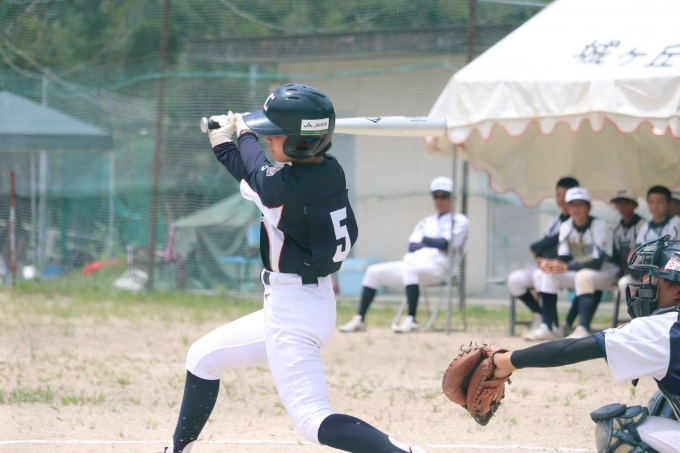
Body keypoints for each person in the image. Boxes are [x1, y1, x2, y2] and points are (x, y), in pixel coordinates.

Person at [161, 84, 428, 453]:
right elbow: (253, 173)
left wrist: (239, 135)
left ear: (303, 143)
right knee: (203, 358)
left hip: (294, 310)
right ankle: (177, 450)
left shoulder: (283, 192)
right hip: (305, 303)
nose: (269, 138)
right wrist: (231, 139)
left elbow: (254, 170)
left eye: (276, 133)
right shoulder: (329, 171)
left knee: (312, 418)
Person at [492, 235, 680, 452]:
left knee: (619, 429)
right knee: (663, 403)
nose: (645, 283)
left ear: (678, 290)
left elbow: (575, 349)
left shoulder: (664, 327)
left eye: (654, 277)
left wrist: (507, 360)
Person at [338, 176, 469, 333]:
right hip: (412, 264)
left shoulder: (459, 220)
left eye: (444, 196)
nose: (439, 200)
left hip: (437, 268)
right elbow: (412, 246)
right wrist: (435, 243)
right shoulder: (426, 221)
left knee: (410, 269)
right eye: (436, 196)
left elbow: (445, 243)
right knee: (373, 271)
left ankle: (411, 320)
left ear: (452, 197)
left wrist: (426, 240)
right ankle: (360, 319)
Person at [525, 187, 617, 341]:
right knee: (544, 274)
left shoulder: (598, 225)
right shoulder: (566, 226)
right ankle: (549, 327)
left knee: (584, 276)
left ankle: (583, 328)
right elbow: (564, 256)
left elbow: (598, 263)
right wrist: (550, 264)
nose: (576, 208)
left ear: (589, 207)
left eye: (580, 204)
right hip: (582, 269)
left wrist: (566, 267)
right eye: (572, 204)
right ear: (567, 207)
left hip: (608, 270)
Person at [507, 177, 579, 331]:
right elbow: (543, 248)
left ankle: (554, 325)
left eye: (565, 195)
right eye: (558, 195)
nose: (561, 199)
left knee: (543, 275)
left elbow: (545, 245)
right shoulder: (554, 222)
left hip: (569, 267)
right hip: (547, 264)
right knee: (515, 280)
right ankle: (541, 316)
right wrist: (541, 253)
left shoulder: (578, 220)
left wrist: (539, 247)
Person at [619, 186, 680, 297]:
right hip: (647, 271)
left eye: (660, 202)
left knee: (651, 283)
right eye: (651, 202)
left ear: (669, 204)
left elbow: (673, 256)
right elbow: (636, 256)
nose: (655, 206)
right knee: (624, 283)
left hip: (669, 271)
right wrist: (641, 274)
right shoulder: (645, 227)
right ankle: (637, 308)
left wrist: (652, 274)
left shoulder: (676, 222)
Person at [609, 189, 646, 300]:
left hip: (640, 270)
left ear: (635, 205)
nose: (622, 207)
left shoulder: (643, 225)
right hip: (621, 268)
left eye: (626, 203)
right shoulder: (615, 227)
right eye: (619, 203)